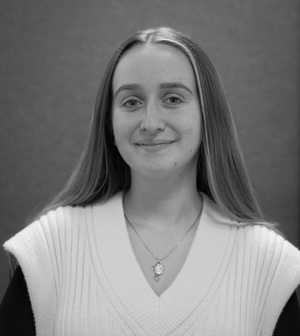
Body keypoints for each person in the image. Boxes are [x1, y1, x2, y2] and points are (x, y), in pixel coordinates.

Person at [1, 26, 300, 336]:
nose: (151, 123)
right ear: (110, 121)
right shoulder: (49, 249)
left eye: (172, 98)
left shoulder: (269, 265)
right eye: (131, 102)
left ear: (208, 114)